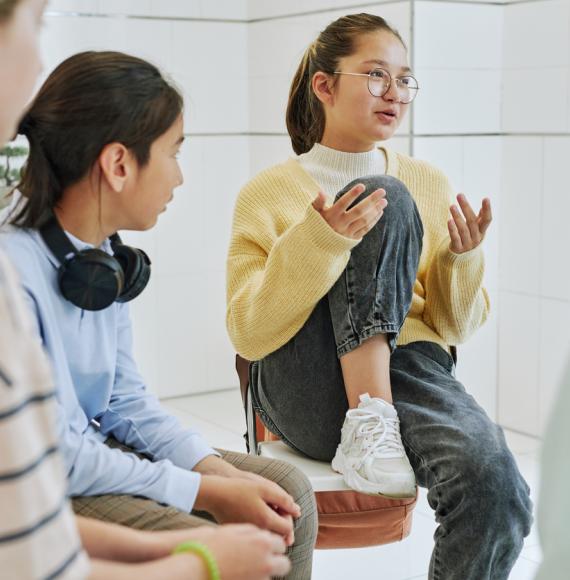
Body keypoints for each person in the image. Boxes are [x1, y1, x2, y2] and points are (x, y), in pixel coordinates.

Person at [0, 3, 314, 578]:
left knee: (285, 487)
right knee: (217, 530)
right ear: (119, 164)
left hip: (85, 452)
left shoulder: (102, 260)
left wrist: (211, 471)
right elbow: (60, 457)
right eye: (174, 151)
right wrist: (201, 492)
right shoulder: (13, 273)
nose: (180, 175)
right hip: (51, 477)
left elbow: (123, 401)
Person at [227, 12, 533, 579]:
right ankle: (371, 419)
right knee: (383, 196)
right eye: (374, 76)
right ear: (324, 85)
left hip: (408, 368)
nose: (394, 93)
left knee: (498, 488)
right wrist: (322, 241)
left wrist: (461, 261)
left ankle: (379, 418)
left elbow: (455, 327)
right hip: (307, 384)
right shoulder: (266, 193)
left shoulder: (430, 182)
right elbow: (248, 331)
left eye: (404, 79)